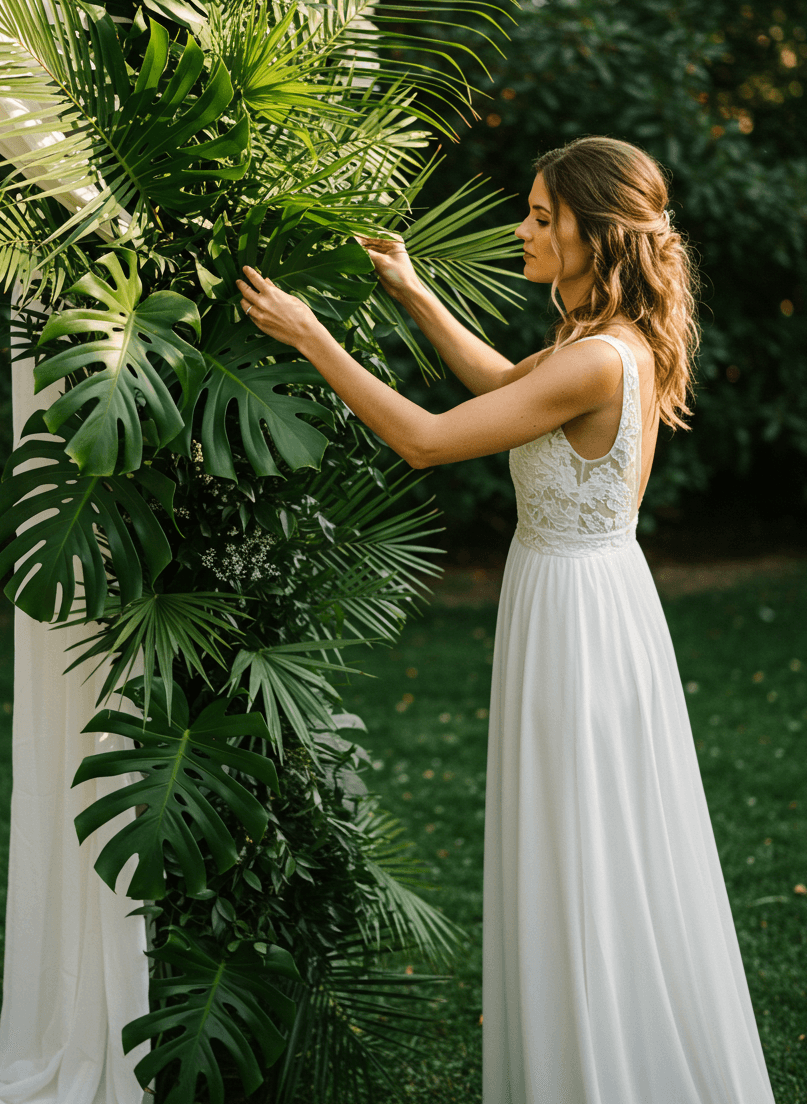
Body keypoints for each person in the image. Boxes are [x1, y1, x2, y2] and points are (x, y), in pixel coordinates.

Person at [235, 135, 776, 1104]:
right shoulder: (596, 340)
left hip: (577, 620)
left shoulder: (594, 356)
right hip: (584, 598)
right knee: (586, 844)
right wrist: (410, 290)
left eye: (539, 216)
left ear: (594, 232)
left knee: (583, 848)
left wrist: (311, 338)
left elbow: (425, 441)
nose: (520, 229)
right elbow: (497, 386)